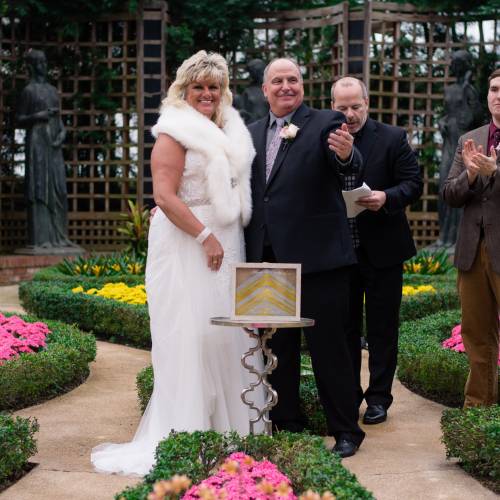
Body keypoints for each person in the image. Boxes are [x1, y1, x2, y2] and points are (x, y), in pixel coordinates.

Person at [91, 51, 264, 476]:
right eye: (199, 87)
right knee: (193, 335)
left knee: (228, 332)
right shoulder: (173, 132)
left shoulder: (226, 128)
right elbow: (165, 196)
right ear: (183, 90)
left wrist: (220, 234)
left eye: (214, 87)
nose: (207, 93)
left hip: (227, 238)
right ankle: (190, 431)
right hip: (191, 241)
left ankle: (234, 430)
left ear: (222, 91)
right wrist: (203, 235)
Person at [244, 58, 365, 458]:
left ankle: (346, 431)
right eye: (276, 80)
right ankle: (288, 421)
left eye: (292, 79)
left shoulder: (327, 122)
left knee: (330, 348)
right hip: (267, 259)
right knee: (279, 351)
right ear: (265, 90)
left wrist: (348, 156)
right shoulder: (251, 133)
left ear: (302, 85)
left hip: (318, 258)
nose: (285, 86)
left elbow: (346, 169)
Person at [330, 77, 423, 424]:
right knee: (344, 328)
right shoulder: (324, 138)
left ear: (367, 103)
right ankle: (349, 394)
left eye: (356, 106)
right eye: (343, 108)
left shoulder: (392, 137)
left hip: (383, 248)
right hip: (340, 251)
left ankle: (379, 398)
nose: (350, 114)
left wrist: (387, 198)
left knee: (383, 328)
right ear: (333, 106)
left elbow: (413, 183)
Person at [442, 68, 500, 407]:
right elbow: (450, 193)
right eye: (493, 89)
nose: (497, 96)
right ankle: (478, 414)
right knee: (477, 338)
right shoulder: (472, 137)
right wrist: (473, 174)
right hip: (470, 253)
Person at [16, 49, 76, 251]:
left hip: (54, 144)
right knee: (40, 187)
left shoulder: (52, 90)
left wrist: (62, 133)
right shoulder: (28, 91)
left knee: (59, 189)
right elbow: (19, 120)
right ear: (32, 66)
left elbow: (59, 118)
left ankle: (60, 237)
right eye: (40, 63)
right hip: (37, 143)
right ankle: (41, 239)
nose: (44, 66)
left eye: (45, 62)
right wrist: (38, 115)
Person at [436, 50, 483, 249]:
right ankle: (444, 237)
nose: (455, 66)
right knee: (443, 186)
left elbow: (476, 116)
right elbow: (446, 114)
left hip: (464, 141)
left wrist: (466, 88)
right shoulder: (448, 89)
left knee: (461, 183)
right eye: (453, 63)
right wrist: (441, 123)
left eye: (459, 63)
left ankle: (456, 239)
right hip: (449, 140)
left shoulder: (470, 90)